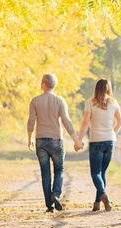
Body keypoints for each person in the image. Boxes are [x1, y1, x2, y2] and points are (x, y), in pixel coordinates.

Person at [27, 73, 82, 213]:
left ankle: (49, 206)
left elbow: (31, 121)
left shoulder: (35, 101)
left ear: (45, 84)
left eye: (41, 82)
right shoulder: (60, 101)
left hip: (41, 141)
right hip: (56, 141)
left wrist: (30, 139)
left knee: (45, 173)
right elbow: (66, 121)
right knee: (59, 170)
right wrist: (76, 140)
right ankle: (55, 194)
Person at [77, 79, 121, 211]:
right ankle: (97, 203)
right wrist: (112, 134)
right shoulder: (114, 103)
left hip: (96, 140)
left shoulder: (90, 103)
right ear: (108, 88)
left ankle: (103, 195)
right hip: (110, 141)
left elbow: (85, 122)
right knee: (103, 172)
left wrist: (79, 139)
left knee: (95, 173)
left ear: (96, 88)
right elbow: (120, 121)